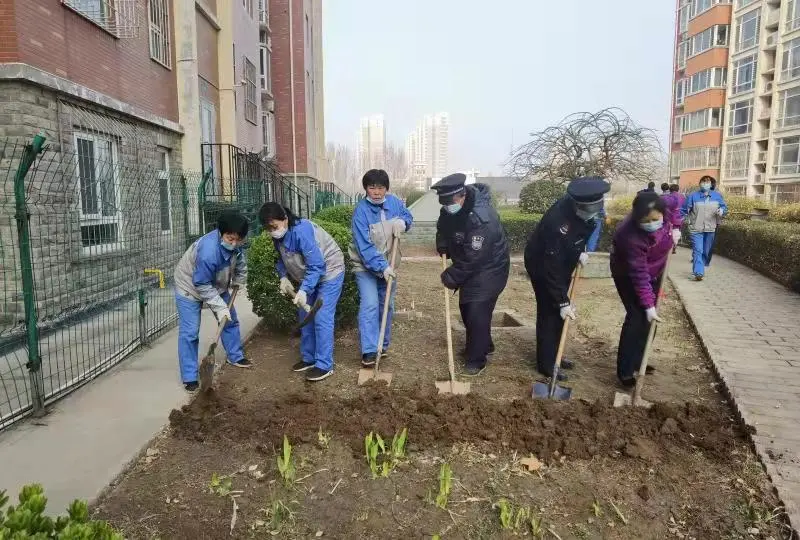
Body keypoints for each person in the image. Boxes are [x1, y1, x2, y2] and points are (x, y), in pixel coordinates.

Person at [524, 176, 610, 380]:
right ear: (577, 204)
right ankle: (546, 364)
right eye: (590, 207)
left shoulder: (582, 211)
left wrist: (579, 251)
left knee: (560, 312)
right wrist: (562, 301)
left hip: (561, 261)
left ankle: (556, 355)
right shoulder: (557, 222)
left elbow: (580, 234)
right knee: (550, 311)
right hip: (542, 265)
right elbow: (550, 268)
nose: (595, 210)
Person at [433, 173, 510, 376]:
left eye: (451, 201)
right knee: (467, 307)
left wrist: (452, 275)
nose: (448, 206)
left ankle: (477, 359)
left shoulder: (481, 219)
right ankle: (485, 344)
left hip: (490, 269)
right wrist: (442, 243)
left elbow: (474, 257)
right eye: (445, 202)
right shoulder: (451, 209)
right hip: (471, 265)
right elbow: (443, 227)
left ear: (462, 195)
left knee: (476, 310)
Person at [260, 203, 344, 381]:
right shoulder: (279, 235)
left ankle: (324, 365)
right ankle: (309, 358)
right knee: (304, 315)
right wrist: (283, 277)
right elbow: (281, 258)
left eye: (274, 227)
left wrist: (305, 289)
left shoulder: (302, 232)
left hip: (330, 272)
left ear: (285, 219)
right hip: (309, 275)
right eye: (268, 228)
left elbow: (317, 265)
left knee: (321, 317)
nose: (272, 232)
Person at [173, 211, 252, 392]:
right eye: (229, 238)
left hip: (217, 284)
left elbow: (240, 263)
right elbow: (200, 283)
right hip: (189, 288)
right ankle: (190, 376)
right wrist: (219, 306)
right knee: (190, 332)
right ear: (220, 233)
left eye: (237, 240)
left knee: (229, 320)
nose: (233, 243)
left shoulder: (236, 244)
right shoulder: (209, 251)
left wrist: (239, 279)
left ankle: (235, 356)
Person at [609, 192, 676, 387]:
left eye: (656, 219)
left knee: (650, 321)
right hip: (628, 275)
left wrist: (677, 227)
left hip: (656, 270)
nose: (652, 223)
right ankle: (626, 371)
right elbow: (639, 274)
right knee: (638, 316)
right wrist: (648, 304)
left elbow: (679, 201)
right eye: (645, 221)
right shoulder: (628, 236)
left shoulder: (667, 207)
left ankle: (641, 359)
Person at [349, 169, 414, 366]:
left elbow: (407, 215)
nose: (376, 192)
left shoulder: (394, 202)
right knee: (369, 304)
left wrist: (404, 222)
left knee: (386, 304)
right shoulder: (361, 212)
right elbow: (364, 246)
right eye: (372, 188)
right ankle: (369, 350)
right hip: (365, 265)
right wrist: (381, 267)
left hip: (390, 263)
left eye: (380, 188)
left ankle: (381, 345)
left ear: (386, 189)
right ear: (366, 189)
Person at [681, 175, 727, 281]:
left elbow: (724, 207)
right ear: (700, 183)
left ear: (711, 185)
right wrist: (683, 219)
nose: (705, 184)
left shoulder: (717, 196)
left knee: (706, 251)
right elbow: (683, 210)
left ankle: (700, 267)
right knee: (698, 250)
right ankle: (698, 272)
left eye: (707, 182)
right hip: (696, 228)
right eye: (703, 181)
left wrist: (722, 210)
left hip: (710, 228)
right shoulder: (693, 196)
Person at [662, 184, 685, 254]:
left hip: (670, 218)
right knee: (677, 231)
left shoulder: (668, 197)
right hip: (680, 218)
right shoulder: (683, 197)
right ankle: (675, 244)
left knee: (668, 232)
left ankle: (669, 245)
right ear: (678, 189)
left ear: (670, 189)